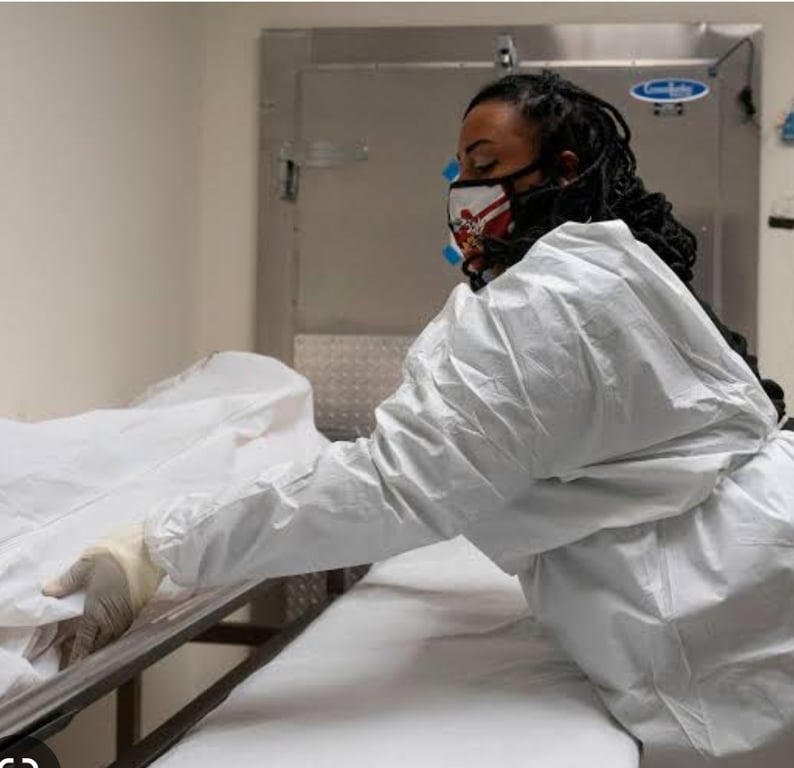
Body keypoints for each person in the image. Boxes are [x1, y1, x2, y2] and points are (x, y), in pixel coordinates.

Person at [44, 72, 794, 766]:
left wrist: (161, 545)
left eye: (484, 163)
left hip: (731, 603)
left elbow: (399, 484)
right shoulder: (596, 271)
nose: (464, 189)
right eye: (459, 168)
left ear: (564, 169)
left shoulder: (553, 299)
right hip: (742, 570)